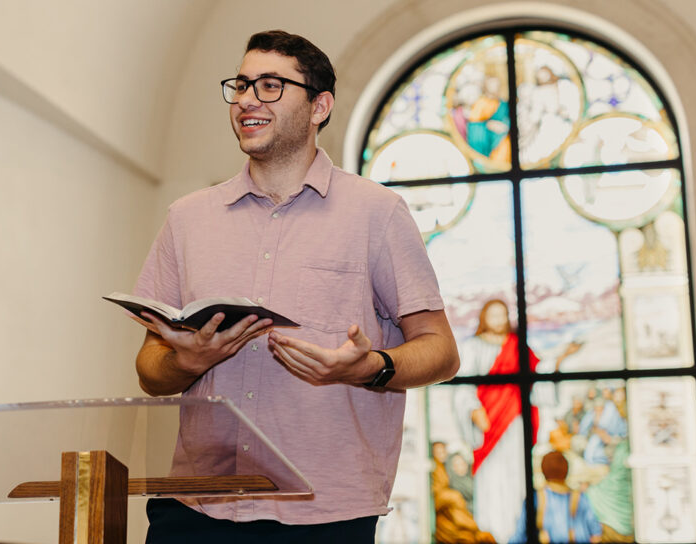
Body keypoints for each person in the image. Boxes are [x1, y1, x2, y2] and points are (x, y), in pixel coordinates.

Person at [132, 30, 459, 543]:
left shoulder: (378, 214)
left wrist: (371, 366)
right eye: (240, 85)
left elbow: (442, 351)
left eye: (268, 86)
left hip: (324, 514)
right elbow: (150, 370)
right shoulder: (186, 219)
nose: (245, 100)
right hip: (196, 508)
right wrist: (185, 362)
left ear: (318, 106)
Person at [453, 299, 581, 543]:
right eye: (493, 315)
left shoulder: (518, 346)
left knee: (516, 476)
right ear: (483, 318)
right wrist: (472, 410)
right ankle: (491, 531)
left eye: (502, 315)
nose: (499, 320)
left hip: (515, 423)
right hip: (488, 426)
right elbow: (463, 387)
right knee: (491, 477)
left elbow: (538, 372)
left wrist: (560, 357)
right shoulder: (472, 347)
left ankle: (518, 532)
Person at [509, 451, 603, 543]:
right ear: (566, 470)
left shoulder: (535, 498)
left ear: (543, 470)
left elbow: (519, 535)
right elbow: (596, 533)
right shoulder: (581, 497)